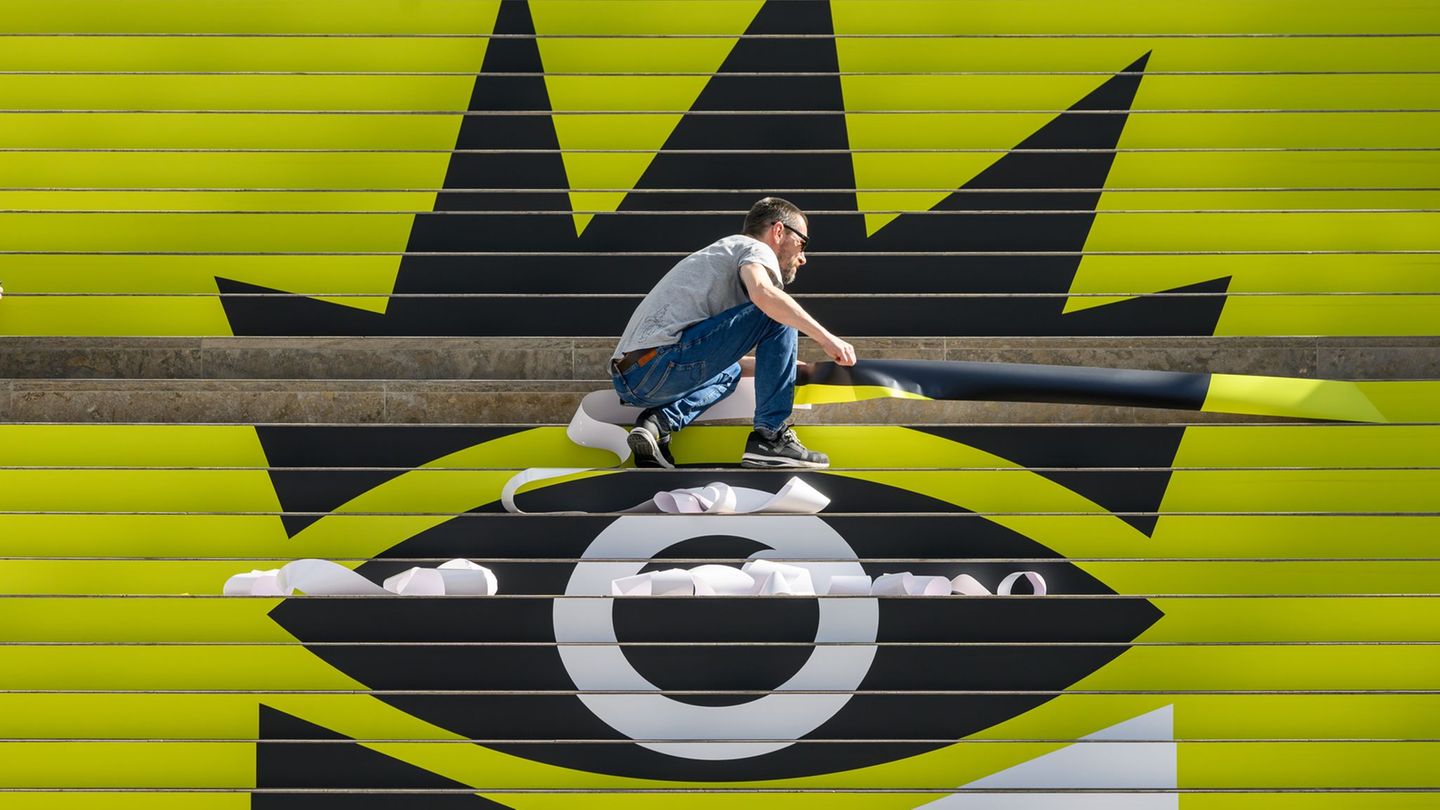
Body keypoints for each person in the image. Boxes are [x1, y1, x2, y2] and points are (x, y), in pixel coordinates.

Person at [610, 197, 857, 469]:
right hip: (662, 364)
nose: (803, 257)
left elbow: (704, 357)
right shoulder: (755, 248)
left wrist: (781, 366)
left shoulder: (719, 255)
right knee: (776, 308)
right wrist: (826, 338)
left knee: (732, 371)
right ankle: (770, 437)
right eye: (802, 243)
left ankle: (657, 424)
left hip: (634, 378)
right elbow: (765, 295)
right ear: (778, 231)